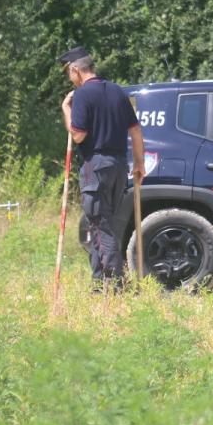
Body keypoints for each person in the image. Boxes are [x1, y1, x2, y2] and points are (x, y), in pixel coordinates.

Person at [58, 47, 145, 286]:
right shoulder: (117, 91)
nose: (69, 79)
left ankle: (115, 284)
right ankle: (99, 284)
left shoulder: (83, 95)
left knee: (100, 227)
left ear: (76, 70)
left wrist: (66, 109)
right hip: (118, 165)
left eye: (68, 73)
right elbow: (136, 131)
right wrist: (139, 163)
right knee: (103, 226)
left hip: (95, 166)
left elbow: (78, 136)